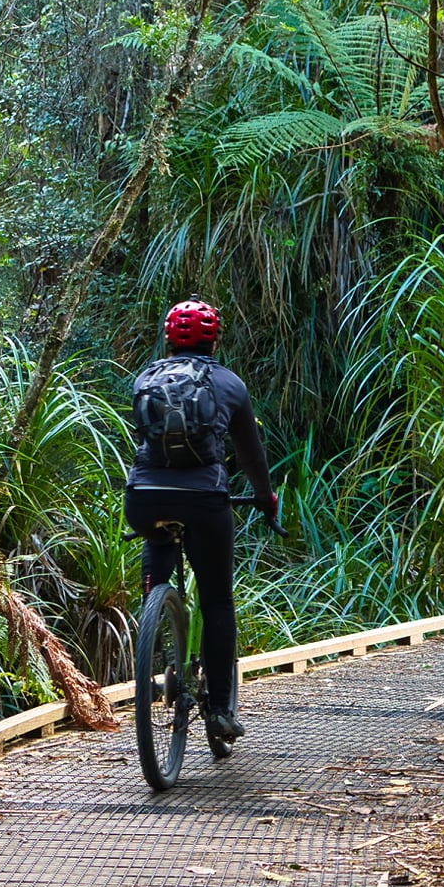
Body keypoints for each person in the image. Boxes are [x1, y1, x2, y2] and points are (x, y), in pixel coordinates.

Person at [124, 297, 277, 745]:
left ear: (168, 338)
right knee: (216, 600)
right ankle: (219, 709)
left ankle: (155, 612)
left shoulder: (146, 378)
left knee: (156, 553)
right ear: (215, 339)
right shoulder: (229, 384)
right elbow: (251, 454)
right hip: (205, 501)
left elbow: (144, 440)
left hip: (145, 498)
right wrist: (265, 497)